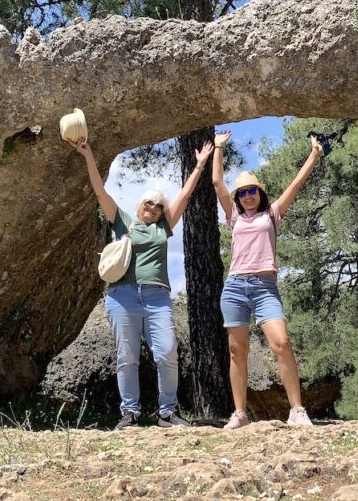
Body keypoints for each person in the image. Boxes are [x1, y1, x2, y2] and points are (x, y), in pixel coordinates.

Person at [68, 135, 214, 429]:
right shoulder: (123, 221)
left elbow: (184, 197)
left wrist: (199, 166)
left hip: (157, 295)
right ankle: (130, 413)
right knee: (127, 356)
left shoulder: (164, 227)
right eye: (148, 203)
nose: (153, 207)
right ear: (139, 205)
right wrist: (88, 157)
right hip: (122, 295)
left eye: (158, 206)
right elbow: (100, 193)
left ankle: (167, 412)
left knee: (167, 351)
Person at [211, 130, 323, 429]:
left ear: (261, 193)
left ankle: (297, 410)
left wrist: (314, 153)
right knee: (237, 351)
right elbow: (217, 183)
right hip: (235, 287)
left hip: (264, 288)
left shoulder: (272, 214)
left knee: (281, 343)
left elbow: (296, 184)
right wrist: (218, 148)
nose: (247, 196)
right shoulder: (233, 217)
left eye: (252, 191)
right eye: (243, 193)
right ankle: (240, 413)